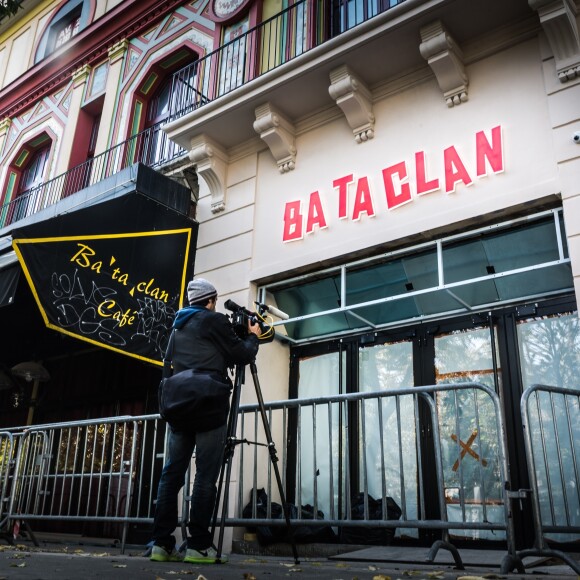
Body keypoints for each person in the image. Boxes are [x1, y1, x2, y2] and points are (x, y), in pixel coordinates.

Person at [150, 278, 261, 564]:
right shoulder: (213, 322)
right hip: (209, 406)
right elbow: (242, 354)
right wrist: (252, 336)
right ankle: (198, 545)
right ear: (210, 301)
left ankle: (161, 544)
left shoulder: (178, 326)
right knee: (205, 476)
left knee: (171, 474)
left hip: (179, 406)